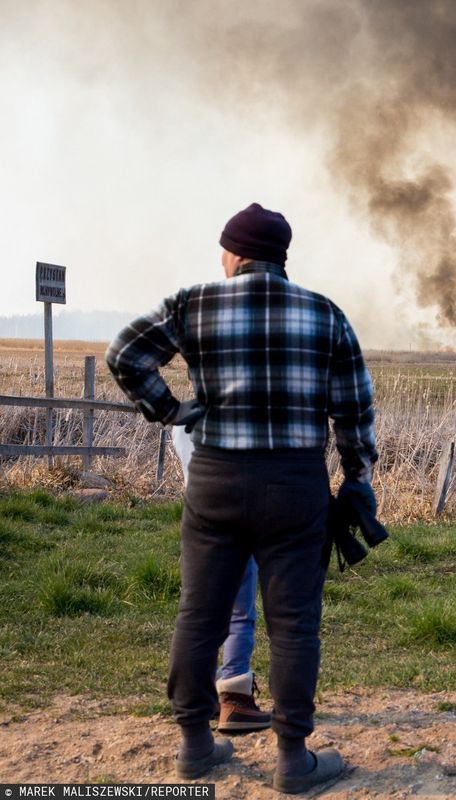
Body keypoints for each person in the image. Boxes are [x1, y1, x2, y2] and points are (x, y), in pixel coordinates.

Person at [107, 203, 377, 792]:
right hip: (295, 485)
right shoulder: (324, 313)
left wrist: (171, 410)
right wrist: (357, 477)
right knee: (295, 624)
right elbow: (354, 410)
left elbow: (123, 355)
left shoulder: (193, 302)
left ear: (233, 254)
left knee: (199, 615)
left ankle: (195, 746)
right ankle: (291, 759)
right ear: (281, 258)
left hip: (216, 480)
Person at [170, 426, 271, 735]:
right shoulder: (236, 414)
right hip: (236, 511)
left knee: (197, 614)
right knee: (241, 611)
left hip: (197, 515)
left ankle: (199, 697)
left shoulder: (181, 421)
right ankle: (235, 698)